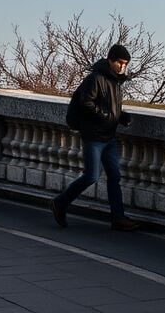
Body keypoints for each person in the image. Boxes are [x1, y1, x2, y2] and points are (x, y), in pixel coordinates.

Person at [51, 43, 140, 231]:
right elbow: (86, 103)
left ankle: (118, 217)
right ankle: (60, 203)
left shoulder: (116, 81)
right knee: (91, 176)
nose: (122, 67)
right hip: (93, 136)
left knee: (114, 176)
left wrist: (121, 117)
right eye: (120, 62)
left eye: (125, 64)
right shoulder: (96, 78)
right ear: (110, 60)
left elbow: (111, 106)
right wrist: (106, 116)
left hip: (109, 136)